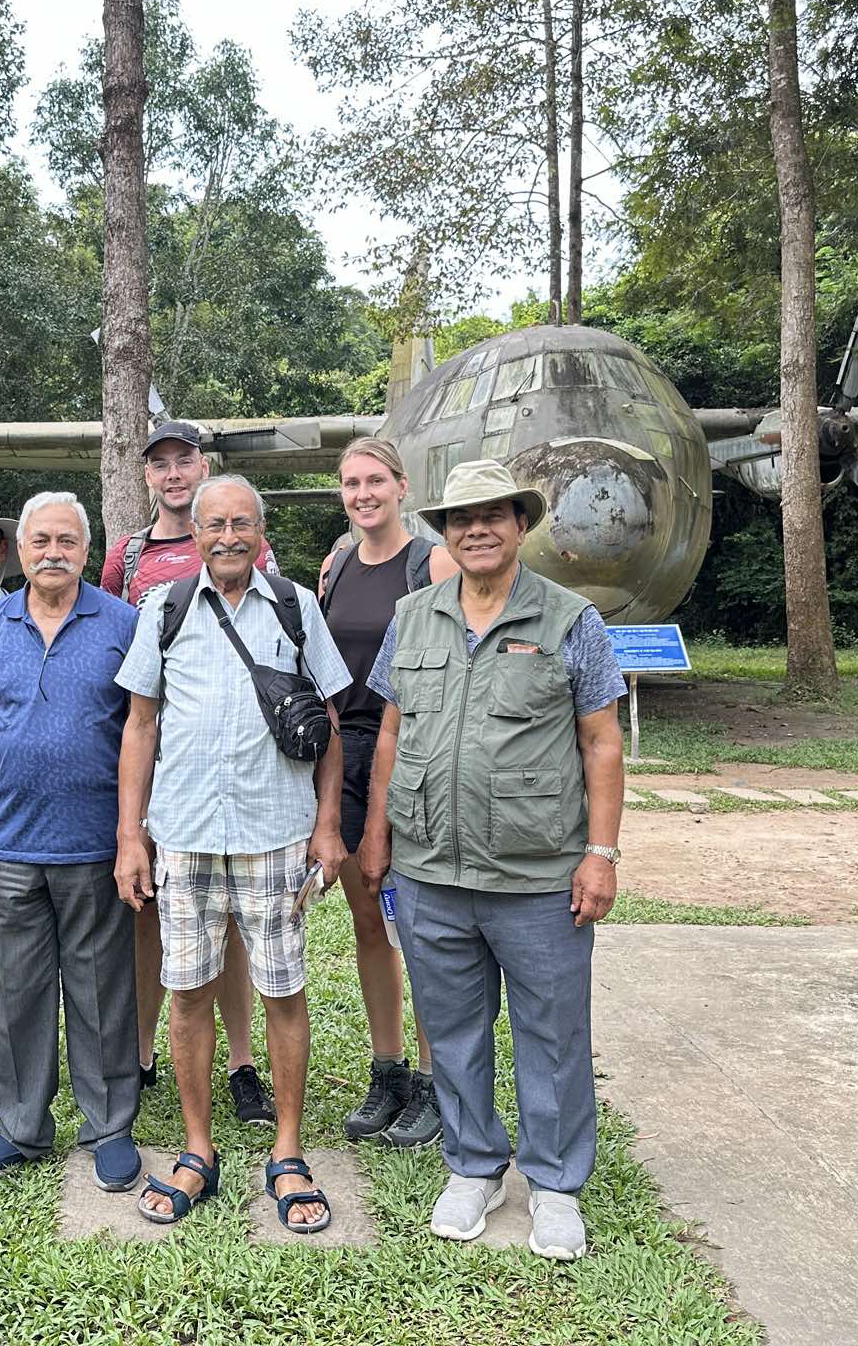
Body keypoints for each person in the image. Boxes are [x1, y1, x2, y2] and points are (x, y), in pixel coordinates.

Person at [360, 459, 626, 1257]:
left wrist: (601, 853)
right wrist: (377, 835)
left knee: (552, 1035)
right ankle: (474, 1165)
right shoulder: (414, 615)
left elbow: (601, 742)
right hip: (431, 867)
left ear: (518, 524)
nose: (477, 529)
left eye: (494, 515)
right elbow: (392, 733)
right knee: (453, 1027)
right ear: (445, 531)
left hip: (538, 873)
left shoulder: (570, 620)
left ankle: (554, 1185)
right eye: (461, 518)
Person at [114, 475, 351, 1231]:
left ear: (260, 530)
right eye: (214, 523)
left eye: (241, 523)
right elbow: (141, 726)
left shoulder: (295, 606)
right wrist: (131, 833)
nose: (226, 536)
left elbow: (330, 724)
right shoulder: (165, 607)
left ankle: (286, 1151)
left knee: (283, 992)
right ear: (196, 530)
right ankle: (197, 1150)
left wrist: (326, 826)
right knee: (186, 993)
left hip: (274, 832)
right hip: (183, 834)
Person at [0, 492, 142, 1190]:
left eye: (66, 540)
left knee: (100, 993)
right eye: (40, 541)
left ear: (87, 552)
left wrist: (132, 837)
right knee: (19, 993)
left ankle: (109, 1126)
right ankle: (23, 1128)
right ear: (20, 550)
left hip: (95, 846)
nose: (52, 552)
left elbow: (145, 735)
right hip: (12, 846)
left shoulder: (123, 623)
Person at [99, 419, 279, 1128]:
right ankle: (142, 1053)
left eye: (185, 462)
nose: (174, 475)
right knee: (152, 917)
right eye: (161, 466)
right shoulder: (129, 555)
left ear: (202, 467)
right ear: (147, 477)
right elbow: (115, 645)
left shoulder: (244, 547)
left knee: (231, 923)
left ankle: (240, 1064)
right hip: (161, 763)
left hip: (236, 767)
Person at [317, 436, 458, 1146]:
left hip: (412, 753)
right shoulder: (337, 564)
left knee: (419, 923)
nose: (363, 493)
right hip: (347, 752)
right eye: (350, 483)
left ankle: (436, 1082)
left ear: (402, 486)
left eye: (375, 480)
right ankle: (388, 1069)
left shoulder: (429, 562)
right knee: (368, 919)